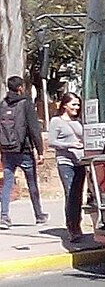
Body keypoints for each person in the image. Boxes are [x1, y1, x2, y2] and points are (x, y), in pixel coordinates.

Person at [0, 76, 48, 229]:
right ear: (20, 87)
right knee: (32, 183)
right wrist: (40, 150)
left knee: (7, 184)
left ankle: (4, 216)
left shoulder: (2, 104)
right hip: (24, 149)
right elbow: (34, 128)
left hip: (7, 150)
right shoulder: (26, 103)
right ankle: (39, 214)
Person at [47, 93, 85, 242]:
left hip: (80, 162)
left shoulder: (79, 121)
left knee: (78, 195)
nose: (76, 107)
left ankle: (77, 223)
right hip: (65, 162)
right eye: (73, 104)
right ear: (64, 105)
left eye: (78, 105)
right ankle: (72, 227)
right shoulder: (56, 121)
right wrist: (69, 144)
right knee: (70, 194)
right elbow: (51, 142)